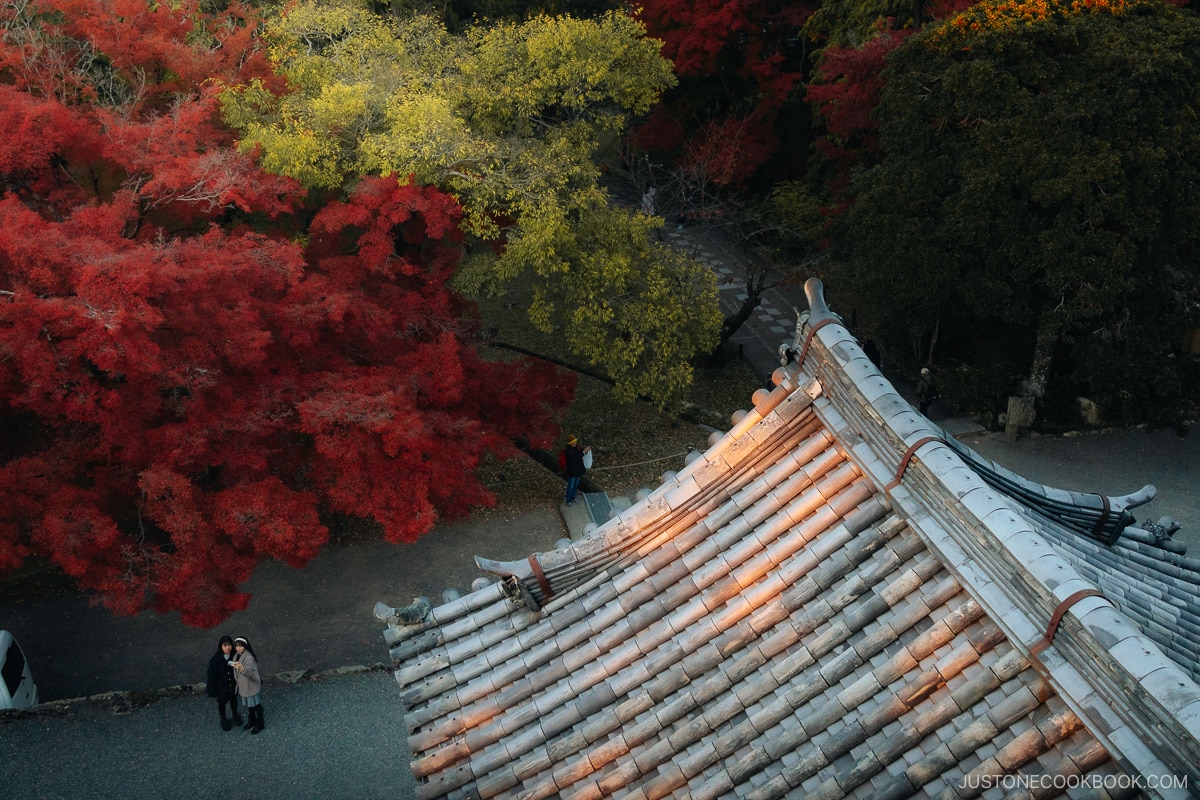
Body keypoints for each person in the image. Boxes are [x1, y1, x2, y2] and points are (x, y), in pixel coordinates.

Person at [205, 635, 242, 731]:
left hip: (233, 684)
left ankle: (235, 714)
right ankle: (223, 719)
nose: (228, 647)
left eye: (229, 645)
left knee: (234, 700)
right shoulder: (216, 659)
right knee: (222, 703)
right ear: (221, 646)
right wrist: (212, 689)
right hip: (222, 686)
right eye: (225, 645)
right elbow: (211, 676)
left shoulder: (235, 656)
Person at [231, 637, 265, 734]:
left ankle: (260, 723)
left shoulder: (249, 657)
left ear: (245, 646)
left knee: (257, 705)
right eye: (237, 646)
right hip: (245, 686)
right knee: (251, 706)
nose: (238, 648)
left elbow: (250, 671)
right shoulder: (237, 655)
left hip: (250, 686)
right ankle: (252, 720)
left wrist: (242, 669)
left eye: (241, 646)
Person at [558, 435, 592, 506]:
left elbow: (580, 454)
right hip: (571, 471)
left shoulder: (578, 448)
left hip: (578, 471)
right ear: (570, 443)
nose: (575, 443)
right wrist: (583, 452)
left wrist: (586, 451)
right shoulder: (568, 451)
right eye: (573, 443)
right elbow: (576, 457)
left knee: (575, 485)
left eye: (575, 442)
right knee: (571, 485)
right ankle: (568, 499)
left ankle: (573, 497)